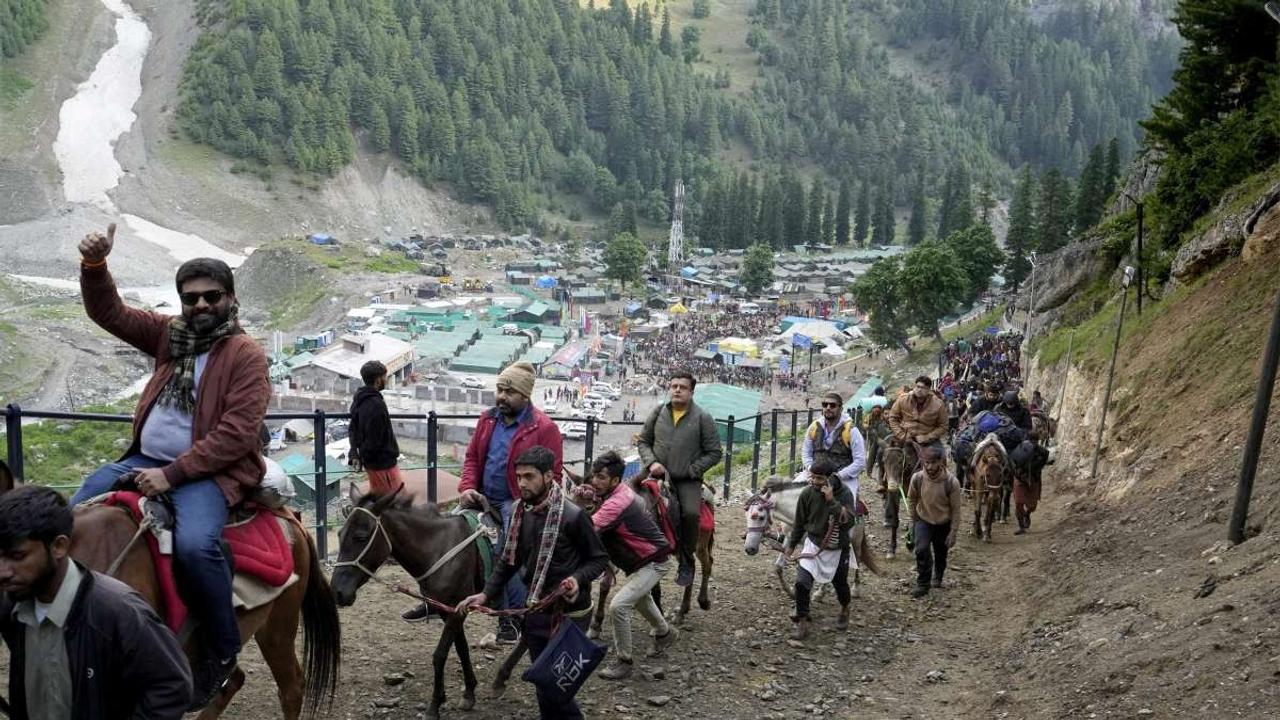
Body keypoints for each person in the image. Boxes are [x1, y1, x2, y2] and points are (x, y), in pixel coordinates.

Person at [73, 224, 268, 708]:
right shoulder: (170, 336)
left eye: (211, 297)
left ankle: (221, 652)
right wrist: (95, 267)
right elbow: (109, 312)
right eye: (191, 299)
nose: (200, 306)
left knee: (198, 547)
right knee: (71, 516)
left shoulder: (246, 355)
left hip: (207, 472)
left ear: (230, 298)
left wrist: (172, 474)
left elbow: (237, 434)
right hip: (145, 459)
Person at [0, 485, 193, 718]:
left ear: (59, 546)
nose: (3, 572)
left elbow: (172, 686)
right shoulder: (12, 608)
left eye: (17, 556)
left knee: (200, 547)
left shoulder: (119, 611)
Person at [456, 447, 609, 720]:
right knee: (544, 682)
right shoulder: (518, 512)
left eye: (529, 476)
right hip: (536, 609)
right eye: (519, 477)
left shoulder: (574, 517)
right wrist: (485, 594)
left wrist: (576, 578)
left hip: (570, 615)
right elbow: (508, 561)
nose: (522, 483)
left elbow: (597, 560)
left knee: (555, 685)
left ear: (549, 476)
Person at [454, 362, 563, 640]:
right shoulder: (487, 419)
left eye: (509, 391)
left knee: (506, 551)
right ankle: (439, 596)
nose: (501, 396)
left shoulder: (543, 427)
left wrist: (532, 509)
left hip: (515, 502)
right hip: (482, 495)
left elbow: (555, 475)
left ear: (525, 395)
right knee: (450, 531)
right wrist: (467, 487)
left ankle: (510, 619)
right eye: (499, 389)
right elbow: (472, 459)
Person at [587, 452, 679, 680]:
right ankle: (664, 633)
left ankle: (624, 662)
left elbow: (586, 530)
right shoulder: (618, 491)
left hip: (654, 562)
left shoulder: (617, 502)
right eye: (593, 476)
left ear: (615, 480)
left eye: (600, 477)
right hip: (645, 561)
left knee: (618, 606)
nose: (594, 482)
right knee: (640, 599)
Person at [637, 369, 723, 588]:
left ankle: (686, 561)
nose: (677, 390)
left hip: (686, 480)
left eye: (682, 387)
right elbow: (643, 441)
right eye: (674, 386)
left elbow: (714, 452)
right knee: (625, 499)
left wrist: (693, 470)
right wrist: (651, 462)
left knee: (691, 513)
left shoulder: (703, 417)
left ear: (691, 392)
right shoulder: (658, 412)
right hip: (654, 473)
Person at [786, 458, 855, 641]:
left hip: (838, 548)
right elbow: (799, 523)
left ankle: (845, 607)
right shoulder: (807, 494)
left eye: (819, 478)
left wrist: (832, 501)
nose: (815, 482)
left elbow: (849, 522)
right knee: (802, 583)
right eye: (813, 477)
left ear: (830, 478)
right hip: (814, 544)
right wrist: (791, 546)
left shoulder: (845, 494)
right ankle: (802, 621)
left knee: (840, 585)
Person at [906, 445, 962, 598]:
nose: (929, 467)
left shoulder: (951, 482)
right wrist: (913, 520)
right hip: (923, 520)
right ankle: (923, 583)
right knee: (921, 550)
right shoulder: (917, 478)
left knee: (940, 553)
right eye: (926, 463)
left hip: (943, 523)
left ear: (941, 462)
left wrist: (953, 531)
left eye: (933, 463)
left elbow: (956, 509)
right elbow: (911, 499)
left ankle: (938, 575)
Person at [348, 360, 403, 495]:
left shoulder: (359, 399)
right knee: (394, 501)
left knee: (384, 499)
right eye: (385, 377)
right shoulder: (376, 404)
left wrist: (356, 454)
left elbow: (352, 429)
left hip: (373, 464)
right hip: (383, 464)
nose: (386, 379)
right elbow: (375, 439)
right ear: (378, 380)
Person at [800, 391, 866, 503]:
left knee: (848, 503)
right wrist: (811, 468)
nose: (828, 408)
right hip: (814, 474)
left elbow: (860, 461)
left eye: (833, 405)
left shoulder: (851, 431)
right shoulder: (814, 427)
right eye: (825, 405)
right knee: (792, 496)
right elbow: (806, 452)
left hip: (842, 477)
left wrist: (839, 475)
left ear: (840, 408)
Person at [862, 404, 892, 491]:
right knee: (879, 452)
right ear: (883, 415)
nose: (888, 416)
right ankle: (880, 481)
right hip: (882, 448)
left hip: (894, 449)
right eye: (886, 414)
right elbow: (876, 438)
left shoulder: (896, 424)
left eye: (890, 414)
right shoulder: (879, 425)